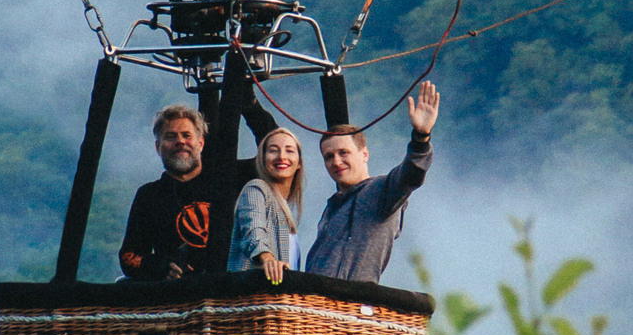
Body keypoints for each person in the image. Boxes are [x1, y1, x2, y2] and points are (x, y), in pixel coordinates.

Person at [118, 82, 278, 280]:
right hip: (182, 298)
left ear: (200, 143)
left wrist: (250, 106)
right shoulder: (149, 195)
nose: (180, 142)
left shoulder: (229, 176)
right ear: (158, 147)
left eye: (187, 135)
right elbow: (128, 256)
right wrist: (160, 266)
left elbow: (276, 152)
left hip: (233, 292)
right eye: (171, 136)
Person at [304, 79, 439, 283]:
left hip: (349, 304)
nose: (336, 161)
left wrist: (421, 137)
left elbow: (411, 175)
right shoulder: (332, 207)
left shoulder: (380, 191)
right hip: (315, 304)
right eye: (329, 156)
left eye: (344, 152)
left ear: (364, 154)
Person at [227, 127, 303, 284]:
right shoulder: (255, 189)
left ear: (299, 163)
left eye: (289, 151)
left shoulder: (285, 210)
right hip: (252, 300)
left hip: (280, 304)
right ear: (262, 159)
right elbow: (253, 230)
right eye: (273, 150)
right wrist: (267, 258)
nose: (281, 156)